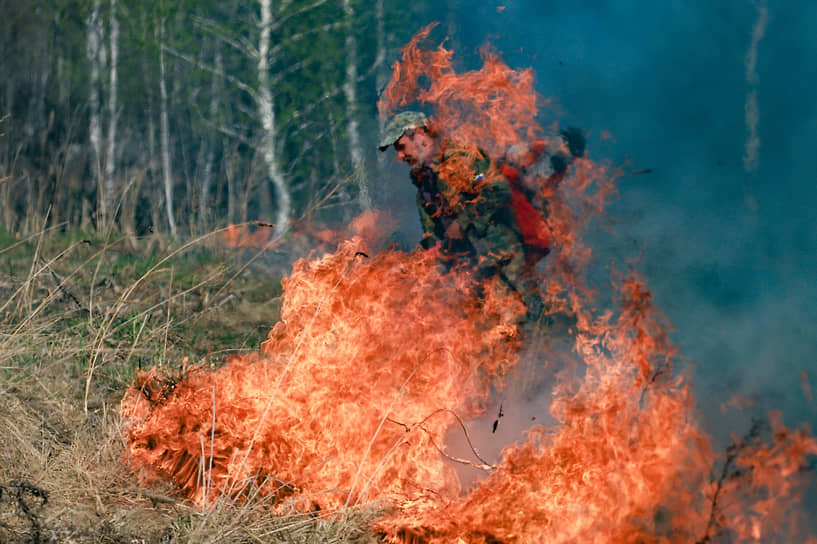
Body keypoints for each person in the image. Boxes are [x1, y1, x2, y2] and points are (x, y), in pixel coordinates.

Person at [378, 111, 530, 297]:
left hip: (503, 257)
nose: (400, 156)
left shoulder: (460, 158)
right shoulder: (425, 184)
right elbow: (435, 238)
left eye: (401, 147)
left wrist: (462, 222)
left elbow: (497, 189)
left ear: (420, 135)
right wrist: (412, 265)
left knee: (524, 311)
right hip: (474, 271)